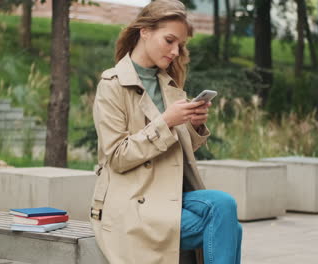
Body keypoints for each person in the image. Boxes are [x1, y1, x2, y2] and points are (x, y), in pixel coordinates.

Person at [89, 0, 242, 263]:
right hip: (130, 199)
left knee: (224, 204)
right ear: (144, 31)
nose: (174, 51)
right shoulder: (112, 85)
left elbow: (172, 152)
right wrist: (166, 122)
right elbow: (116, 156)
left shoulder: (168, 84)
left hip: (167, 193)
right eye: (169, 40)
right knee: (224, 225)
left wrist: (193, 125)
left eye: (180, 45)